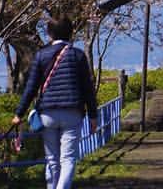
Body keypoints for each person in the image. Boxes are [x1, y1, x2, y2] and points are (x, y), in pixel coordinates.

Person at [12, 16, 98, 189]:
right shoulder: (78, 55)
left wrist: (19, 114)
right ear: (71, 33)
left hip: (47, 113)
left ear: (49, 33)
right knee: (68, 159)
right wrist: (93, 115)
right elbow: (88, 89)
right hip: (72, 113)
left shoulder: (41, 56)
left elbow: (31, 88)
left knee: (52, 160)